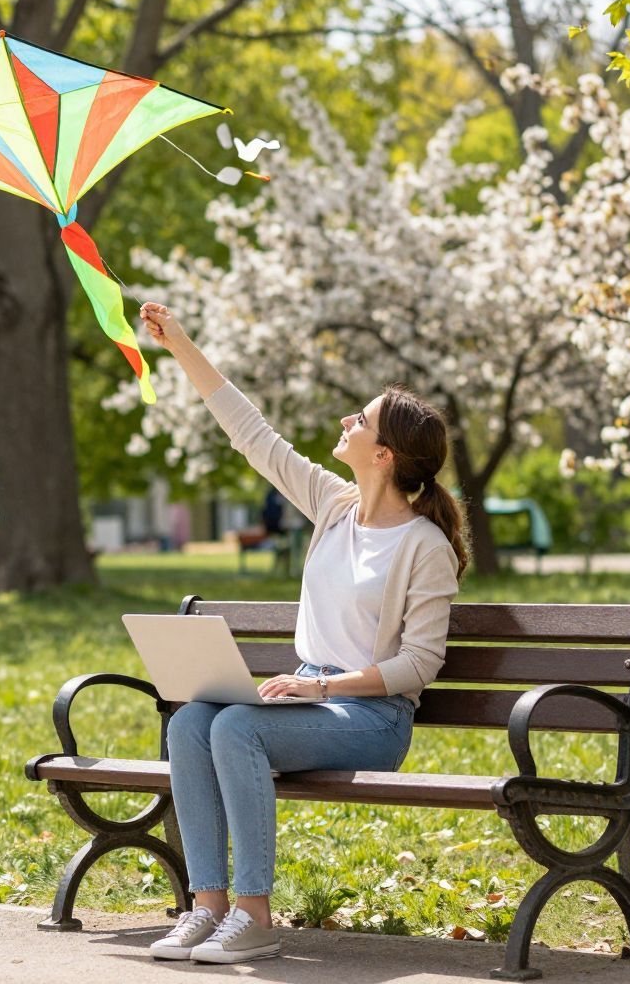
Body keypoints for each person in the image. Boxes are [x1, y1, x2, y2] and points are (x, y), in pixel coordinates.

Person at [137, 302, 465, 965]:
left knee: (237, 727)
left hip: (373, 718)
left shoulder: (424, 546)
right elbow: (251, 433)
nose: (347, 421)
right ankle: (208, 907)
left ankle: (254, 916)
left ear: (384, 454)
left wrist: (321, 689)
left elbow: (420, 664)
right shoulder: (333, 506)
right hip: (312, 697)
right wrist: (181, 345)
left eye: (361, 420)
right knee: (191, 722)